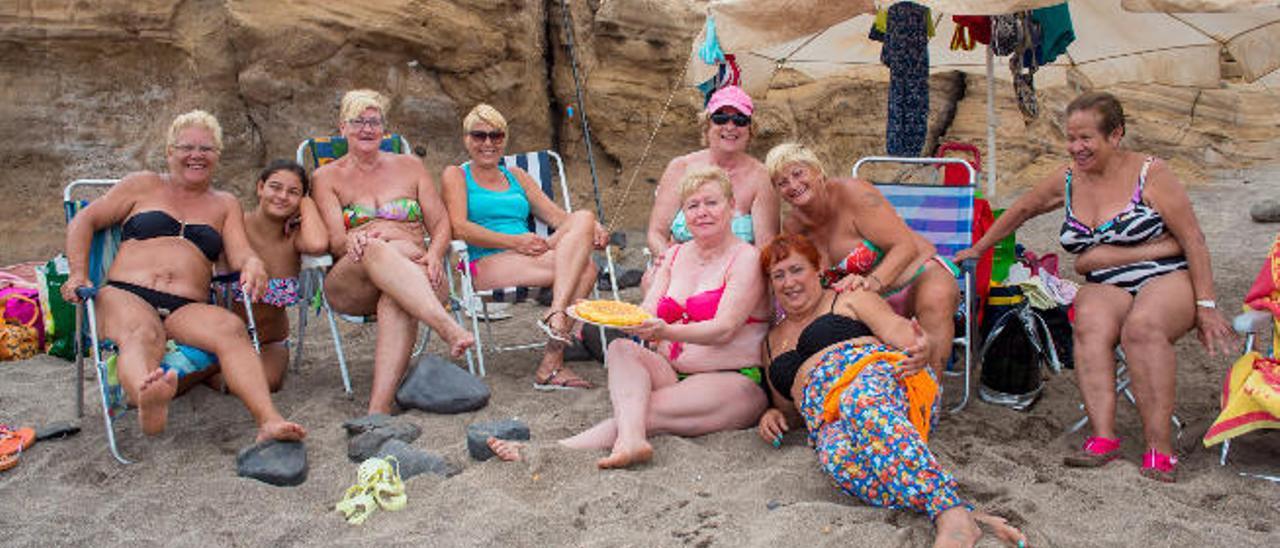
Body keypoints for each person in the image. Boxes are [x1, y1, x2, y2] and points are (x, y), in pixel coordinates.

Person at [955, 91, 1235, 482]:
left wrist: (1206, 303)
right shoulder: (1068, 178)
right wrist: (977, 248)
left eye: (1086, 138)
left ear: (1115, 134)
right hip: (1107, 286)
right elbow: (1021, 209)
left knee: (1142, 328)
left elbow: (1192, 239)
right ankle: (1104, 437)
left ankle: (1159, 448)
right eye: (1071, 138)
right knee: (1089, 321)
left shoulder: (1150, 173)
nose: (1076, 147)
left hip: (1167, 276)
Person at [488, 166, 772, 468]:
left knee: (642, 412)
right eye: (692, 205)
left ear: (731, 207)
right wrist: (599, 310)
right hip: (671, 372)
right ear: (683, 216)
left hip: (732, 379)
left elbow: (724, 329)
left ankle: (555, 449)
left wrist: (665, 332)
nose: (702, 212)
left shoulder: (747, 259)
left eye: (711, 203)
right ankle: (631, 438)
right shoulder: (675, 255)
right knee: (621, 349)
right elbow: (643, 314)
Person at [757, 233, 1026, 548]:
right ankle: (963, 511)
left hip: (882, 381)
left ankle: (951, 518)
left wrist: (920, 347)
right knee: (839, 458)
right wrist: (773, 413)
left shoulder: (848, 297)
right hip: (828, 416)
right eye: (779, 275)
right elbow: (790, 410)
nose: (789, 282)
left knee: (859, 399)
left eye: (796, 269)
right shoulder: (771, 341)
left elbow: (898, 331)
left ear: (818, 269)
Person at [61, 110, 306, 443]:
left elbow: (240, 252)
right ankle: (147, 399)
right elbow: (83, 222)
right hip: (126, 293)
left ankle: (269, 420)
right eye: (186, 147)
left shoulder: (224, 204)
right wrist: (78, 273)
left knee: (231, 328)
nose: (196, 155)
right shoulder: (142, 185)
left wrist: (252, 264)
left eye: (206, 149)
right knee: (142, 332)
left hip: (185, 306)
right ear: (169, 152)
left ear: (217, 156)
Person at [312, 89, 475, 416]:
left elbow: (441, 223)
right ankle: (446, 326)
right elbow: (333, 238)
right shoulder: (325, 177)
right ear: (342, 128)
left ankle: (378, 410)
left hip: (420, 272)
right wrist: (352, 241)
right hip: (354, 278)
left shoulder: (410, 166)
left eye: (374, 121)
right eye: (357, 121)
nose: (367, 129)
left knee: (395, 297)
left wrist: (435, 254)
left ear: (384, 129)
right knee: (373, 245)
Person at [441, 104, 607, 390]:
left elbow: (558, 218)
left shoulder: (516, 176)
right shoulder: (456, 175)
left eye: (496, 135)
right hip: (487, 261)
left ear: (504, 139)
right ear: (466, 139)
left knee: (583, 217)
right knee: (587, 267)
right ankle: (552, 360)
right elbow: (459, 227)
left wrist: (591, 228)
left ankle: (556, 317)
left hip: (533, 255)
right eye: (479, 136)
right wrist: (515, 241)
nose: (488, 143)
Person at [766, 142, 961, 375]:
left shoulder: (855, 193)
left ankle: (930, 394)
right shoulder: (793, 227)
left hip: (913, 275)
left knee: (937, 294)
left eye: (798, 173)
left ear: (817, 171)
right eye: (782, 182)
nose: (793, 185)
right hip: (861, 300)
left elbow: (904, 246)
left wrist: (872, 283)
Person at [219, 160, 328, 391]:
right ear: (260, 187)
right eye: (275, 187)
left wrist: (307, 203)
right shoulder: (234, 226)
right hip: (220, 339)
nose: (282, 196)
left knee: (265, 383)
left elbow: (318, 244)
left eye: (293, 192)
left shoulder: (294, 238)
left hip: (269, 342)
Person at [646, 85, 779, 266]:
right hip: (679, 268)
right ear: (707, 125)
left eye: (740, 120)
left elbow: (766, 248)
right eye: (721, 118)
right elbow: (656, 234)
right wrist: (668, 262)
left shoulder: (761, 177)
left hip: (737, 273)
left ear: (750, 129)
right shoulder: (680, 167)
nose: (730, 126)